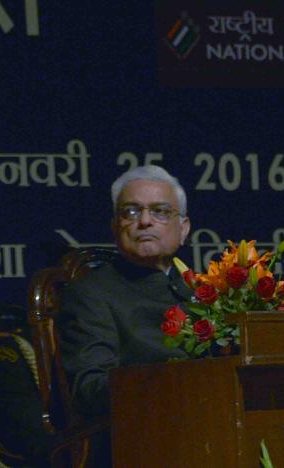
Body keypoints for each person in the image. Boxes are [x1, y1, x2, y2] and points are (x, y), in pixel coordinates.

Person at [57, 165, 194, 419]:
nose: (145, 221)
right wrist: (173, 386)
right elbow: (90, 390)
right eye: (131, 211)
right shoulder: (91, 294)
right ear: (115, 226)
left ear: (183, 228)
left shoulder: (202, 289)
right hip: (145, 426)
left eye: (160, 211)